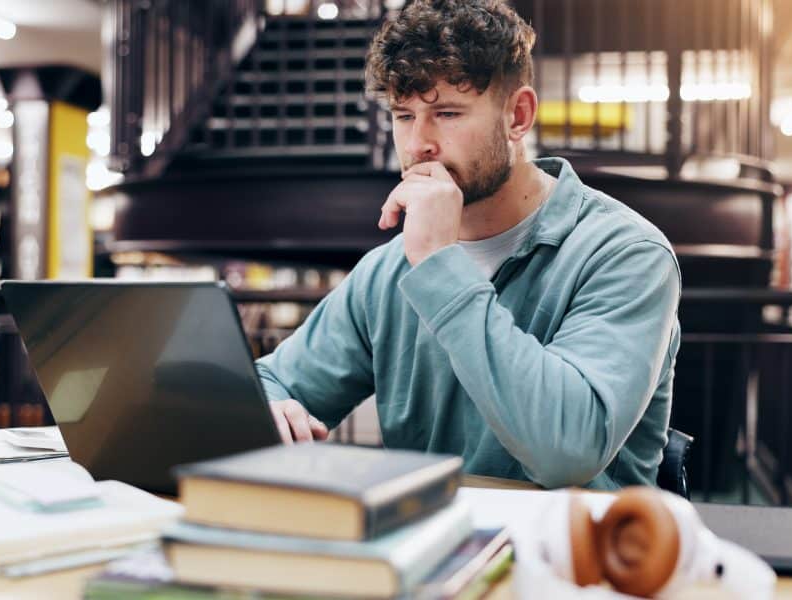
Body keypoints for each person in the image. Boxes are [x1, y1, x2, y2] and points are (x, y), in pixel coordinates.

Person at [256, 0, 681, 490]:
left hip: (572, 557)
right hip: (430, 549)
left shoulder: (626, 254)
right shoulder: (388, 272)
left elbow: (567, 452)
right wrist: (269, 407)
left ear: (517, 116)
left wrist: (440, 264)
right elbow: (272, 381)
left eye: (447, 113)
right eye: (403, 115)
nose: (418, 145)